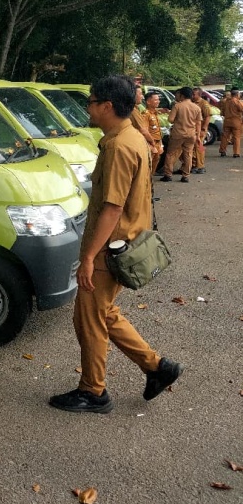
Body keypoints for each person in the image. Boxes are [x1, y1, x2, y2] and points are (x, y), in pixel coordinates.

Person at [49, 75, 182, 414]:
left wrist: (90, 257)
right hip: (123, 243)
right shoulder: (130, 137)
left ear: (106, 106)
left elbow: (112, 207)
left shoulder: (120, 146)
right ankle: (157, 367)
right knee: (103, 313)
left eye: (91, 101)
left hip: (111, 249)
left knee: (89, 319)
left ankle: (93, 391)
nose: (88, 107)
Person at [160, 87, 202, 183]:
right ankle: (185, 176)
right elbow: (199, 123)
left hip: (178, 134)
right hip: (191, 134)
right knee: (188, 154)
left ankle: (168, 175)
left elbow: (170, 119)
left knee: (170, 154)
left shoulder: (177, 106)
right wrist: (198, 136)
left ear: (182, 95)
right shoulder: (196, 107)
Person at [129, 84, 158, 158]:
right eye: (141, 94)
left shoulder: (136, 109)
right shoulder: (133, 111)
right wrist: (152, 143)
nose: (142, 97)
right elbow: (143, 130)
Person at [190, 87, 211, 174]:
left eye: (194, 94)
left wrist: (203, 129)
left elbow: (207, 117)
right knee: (193, 149)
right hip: (193, 129)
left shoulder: (204, 104)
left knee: (200, 148)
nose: (192, 96)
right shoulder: (192, 102)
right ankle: (194, 165)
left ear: (199, 95)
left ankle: (200, 166)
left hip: (200, 130)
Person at [144, 90, 164, 175]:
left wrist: (161, 144)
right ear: (148, 102)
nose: (158, 101)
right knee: (148, 164)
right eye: (155, 100)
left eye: (158, 99)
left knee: (155, 162)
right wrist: (151, 145)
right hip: (150, 143)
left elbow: (157, 130)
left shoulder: (155, 113)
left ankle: (150, 180)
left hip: (157, 142)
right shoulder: (146, 114)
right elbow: (145, 131)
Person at [219, 88, 243, 158]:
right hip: (236, 122)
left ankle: (222, 151)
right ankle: (236, 153)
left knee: (225, 136)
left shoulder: (226, 102)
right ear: (237, 94)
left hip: (227, 121)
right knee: (236, 137)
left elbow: (222, 112)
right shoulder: (237, 102)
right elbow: (241, 109)